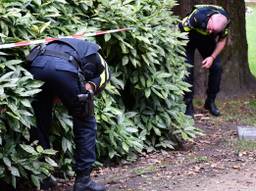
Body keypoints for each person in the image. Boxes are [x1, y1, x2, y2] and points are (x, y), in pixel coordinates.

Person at [27, 38, 110, 191]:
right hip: (63, 68)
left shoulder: (66, 45)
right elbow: (102, 78)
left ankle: (43, 177)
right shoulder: (100, 62)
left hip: (36, 67)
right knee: (85, 120)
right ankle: (83, 181)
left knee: (39, 122)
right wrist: (89, 90)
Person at [178, 4, 230, 117]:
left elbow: (222, 41)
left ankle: (210, 102)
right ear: (209, 19)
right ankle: (188, 103)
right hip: (187, 38)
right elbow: (178, 31)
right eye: (210, 28)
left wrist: (212, 57)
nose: (211, 31)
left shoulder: (224, 20)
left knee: (217, 67)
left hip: (206, 41)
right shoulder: (198, 15)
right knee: (187, 69)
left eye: (214, 31)